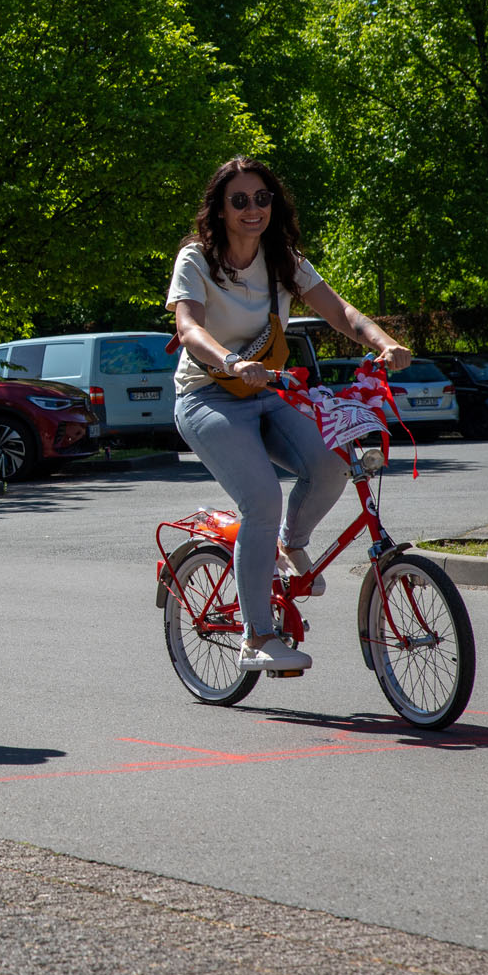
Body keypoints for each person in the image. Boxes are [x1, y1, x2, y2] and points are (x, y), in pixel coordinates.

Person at [167, 156, 411, 674]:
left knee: (332, 465)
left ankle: (289, 545)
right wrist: (232, 360)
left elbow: (340, 311)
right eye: (240, 200)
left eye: (262, 198)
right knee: (261, 498)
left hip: (268, 388)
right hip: (207, 394)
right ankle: (256, 637)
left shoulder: (283, 259)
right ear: (220, 209)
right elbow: (189, 329)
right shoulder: (197, 259)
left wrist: (383, 341)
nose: (253, 209)